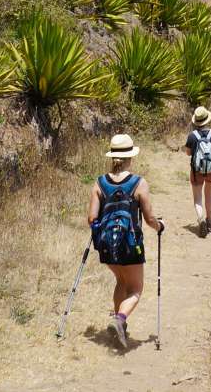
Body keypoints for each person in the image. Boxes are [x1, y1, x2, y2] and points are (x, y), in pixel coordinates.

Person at [88, 133, 163, 349]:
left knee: (121, 281)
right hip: (130, 245)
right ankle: (119, 320)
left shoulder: (100, 183)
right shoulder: (138, 183)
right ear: (131, 157)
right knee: (136, 289)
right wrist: (160, 226)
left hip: (106, 246)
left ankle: (119, 324)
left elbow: (91, 218)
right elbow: (149, 219)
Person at [183, 106, 211, 238]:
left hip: (196, 172)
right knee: (208, 195)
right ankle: (209, 221)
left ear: (196, 121)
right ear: (207, 119)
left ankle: (200, 218)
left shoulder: (192, 136)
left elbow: (188, 153)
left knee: (197, 198)